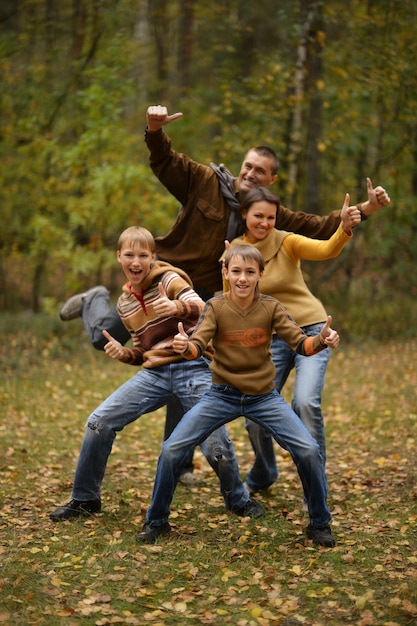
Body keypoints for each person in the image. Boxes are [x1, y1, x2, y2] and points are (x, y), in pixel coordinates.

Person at [58, 105, 391, 483]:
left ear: (272, 179)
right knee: (103, 336)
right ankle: (94, 300)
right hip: (161, 280)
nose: (250, 174)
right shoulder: (204, 181)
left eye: (259, 171)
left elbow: (318, 226)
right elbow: (166, 162)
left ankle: (180, 462)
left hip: (202, 294)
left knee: (181, 365)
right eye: (247, 166)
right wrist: (153, 129)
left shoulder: (265, 214)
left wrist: (366, 208)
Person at [50, 227, 263, 521]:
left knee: (215, 444)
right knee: (98, 422)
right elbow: (142, 351)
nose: (135, 261)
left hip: (193, 367)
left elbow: (204, 309)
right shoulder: (125, 304)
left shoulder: (169, 279)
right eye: (129, 255)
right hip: (155, 375)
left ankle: (237, 499)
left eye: (142, 255)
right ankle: (85, 498)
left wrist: (175, 306)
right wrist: (124, 354)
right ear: (119, 258)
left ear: (152, 257)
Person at [137, 245, 340, 547]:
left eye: (249, 272)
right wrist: (184, 346)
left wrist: (321, 340)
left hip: (263, 397)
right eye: (236, 271)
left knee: (309, 450)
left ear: (260, 275)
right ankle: (157, 521)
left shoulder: (271, 307)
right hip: (221, 395)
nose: (242, 278)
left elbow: (301, 344)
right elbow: (197, 345)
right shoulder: (216, 307)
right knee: (171, 450)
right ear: (226, 273)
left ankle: (319, 523)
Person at [223, 186, 360, 496]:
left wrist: (344, 228)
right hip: (270, 337)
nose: (265, 222)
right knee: (255, 408)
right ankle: (265, 470)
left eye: (271, 217)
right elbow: (232, 302)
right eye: (258, 216)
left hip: (311, 328)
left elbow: (326, 250)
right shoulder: (234, 252)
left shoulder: (286, 241)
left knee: (304, 403)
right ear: (244, 214)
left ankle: (316, 486)